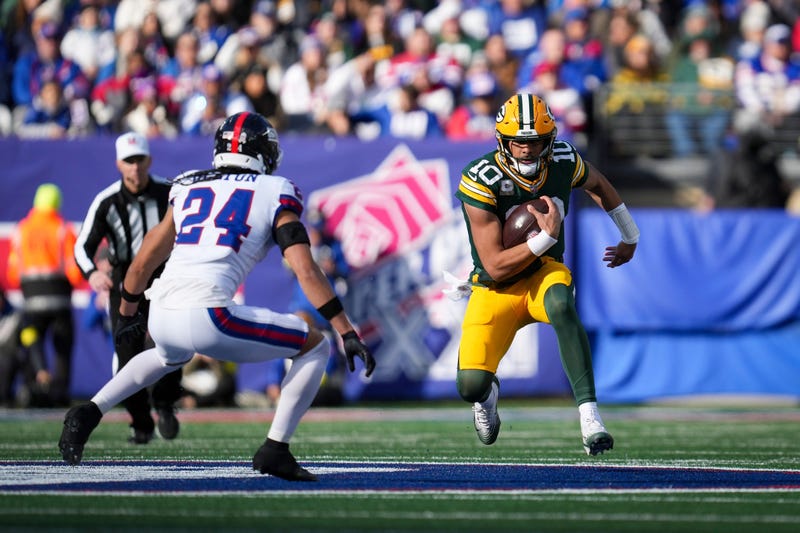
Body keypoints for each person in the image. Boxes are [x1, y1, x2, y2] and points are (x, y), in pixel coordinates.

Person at [59, 111, 376, 482]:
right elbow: (306, 270)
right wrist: (347, 331)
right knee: (317, 347)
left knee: (166, 355)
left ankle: (89, 412)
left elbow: (145, 257)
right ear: (261, 152)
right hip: (209, 315)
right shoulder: (275, 190)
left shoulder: (188, 186)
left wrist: (128, 313)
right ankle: (276, 448)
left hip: (162, 310)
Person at [453, 93, 639, 455]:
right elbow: (494, 264)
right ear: (503, 141)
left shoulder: (563, 159)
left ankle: (590, 416)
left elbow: (597, 184)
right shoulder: (481, 177)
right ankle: (488, 397)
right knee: (469, 385)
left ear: (548, 139)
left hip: (542, 274)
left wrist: (630, 234)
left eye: (534, 140)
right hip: (497, 287)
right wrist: (547, 237)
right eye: (518, 142)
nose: (526, 149)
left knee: (562, 303)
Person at [73, 131, 183, 445]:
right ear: (119, 164)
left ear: (149, 160)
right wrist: (93, 273)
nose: (135, 167)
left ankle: (164, 403)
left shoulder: (170, 193)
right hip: (125, 285)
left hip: (165, 279)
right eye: (129, 161)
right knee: (127, 354)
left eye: (139, 160)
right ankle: (140, 420)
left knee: (174, 344)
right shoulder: (107, 201)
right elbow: (83, 246)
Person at [6, 183, 84, 407]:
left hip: (31, 302)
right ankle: (59, 394)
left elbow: (12, 273)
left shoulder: (21, 230)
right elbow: (74, 272)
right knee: (62, 348)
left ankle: (35, 387)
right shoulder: (63, 230)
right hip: (60, 301)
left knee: (31, 340)